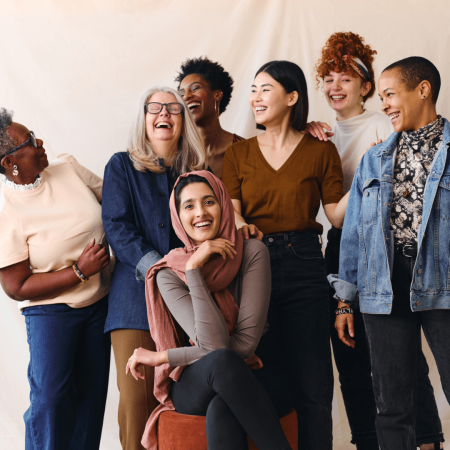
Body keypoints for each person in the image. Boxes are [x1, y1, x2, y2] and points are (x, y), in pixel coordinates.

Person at [307, 32, 444, 450]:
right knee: (378, 382)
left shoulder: (401, 132)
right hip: (363, 265)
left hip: (419, 265)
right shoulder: (350, 145)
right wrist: (346, 298)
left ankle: (429, 439)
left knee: (416, 372)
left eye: (345, 79)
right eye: (328, 79)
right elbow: (345, 228)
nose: (335, 87)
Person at [222, 60, 349, 449]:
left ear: (292, 97)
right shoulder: (238, 153)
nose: (255, 98)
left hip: (307, 264)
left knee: (313, 384)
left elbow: (334, 215)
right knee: (264, 378)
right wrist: (241, 222)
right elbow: (231, 208)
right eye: (254, 89)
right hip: (253, 265)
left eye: (266, 89)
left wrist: (367, 177)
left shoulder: (320, 151)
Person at [126, 171, 291, 450]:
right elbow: (216, 349)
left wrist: (163, 357)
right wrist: (193, 270)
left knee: (222, 407)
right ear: (178, 217)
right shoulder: (169, 272)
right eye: (188, 206)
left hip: (253, 371)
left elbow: (245, 345)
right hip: (194, 380)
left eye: (209, 202)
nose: (200, 212)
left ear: (224, 204)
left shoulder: (252, 252)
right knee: (222, 362)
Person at [102, 86, 206, 450]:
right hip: (133, 304)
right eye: (155, 108)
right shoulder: (120, 165)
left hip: (189, 300)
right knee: (137, 405)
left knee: (187, 406)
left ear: (183, 120)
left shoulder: (197, 172)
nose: (164, 114)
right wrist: (158, 269)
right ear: (144, 118)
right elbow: (116, 226)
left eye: (173, 109)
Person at [0, 109, 111, 450]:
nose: (40, 142)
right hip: (51, 314)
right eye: (30, 142)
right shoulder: (8, 211)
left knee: (90, 402)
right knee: (51, 403)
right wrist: (78, 271)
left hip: (100, 305)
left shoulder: (68, 169)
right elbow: (15, 286)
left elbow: (116, 205)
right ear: (9, 162)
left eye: (34, 134)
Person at [176, 57, 244, 178]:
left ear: (217, 95)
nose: (186, 96)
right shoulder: (176, 152)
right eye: (181, 94)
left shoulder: (245, 149)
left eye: (195, 88)